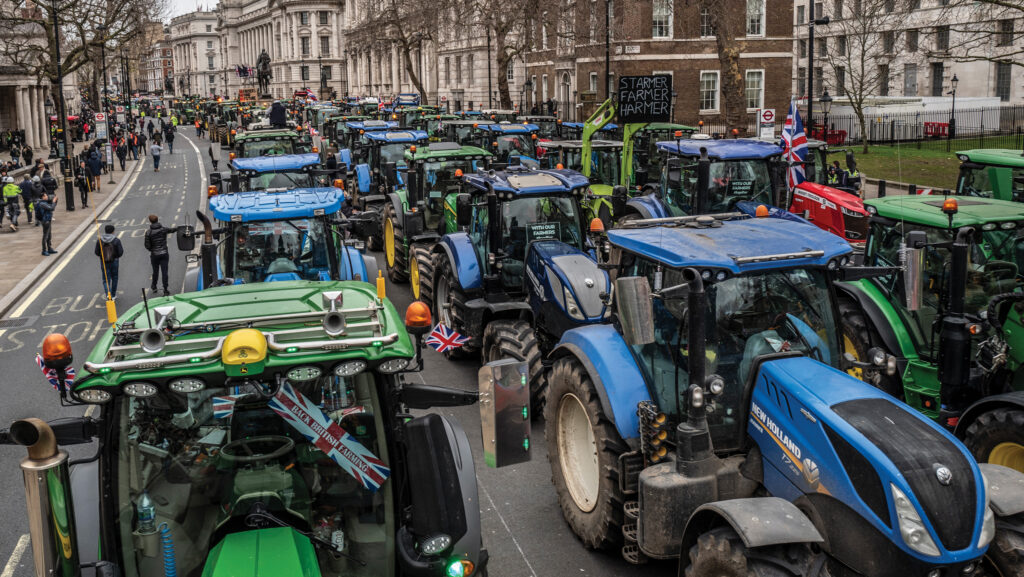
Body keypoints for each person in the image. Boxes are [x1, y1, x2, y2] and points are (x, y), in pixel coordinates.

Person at [144, 214, 174, 295]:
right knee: (165, 272)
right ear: (157, 220)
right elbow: (172, 230)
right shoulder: (163, 229)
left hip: (154, 254)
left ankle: (154, 286)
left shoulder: (148, 232)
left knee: (155, 271)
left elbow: (147, 245)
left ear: (150, 221)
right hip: (164, 253)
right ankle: (165, 289)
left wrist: (152, 250)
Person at [94, 224, 123, 298]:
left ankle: (108, 295)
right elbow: (120, 252)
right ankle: (113, 295)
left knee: (105, 279)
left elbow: (97, 252)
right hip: (114, 261)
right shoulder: (116, 240)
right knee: (115, 277)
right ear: (113, 231)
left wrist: (102, 256)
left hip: (104, 262)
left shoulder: (100, 240)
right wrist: (115, 257)